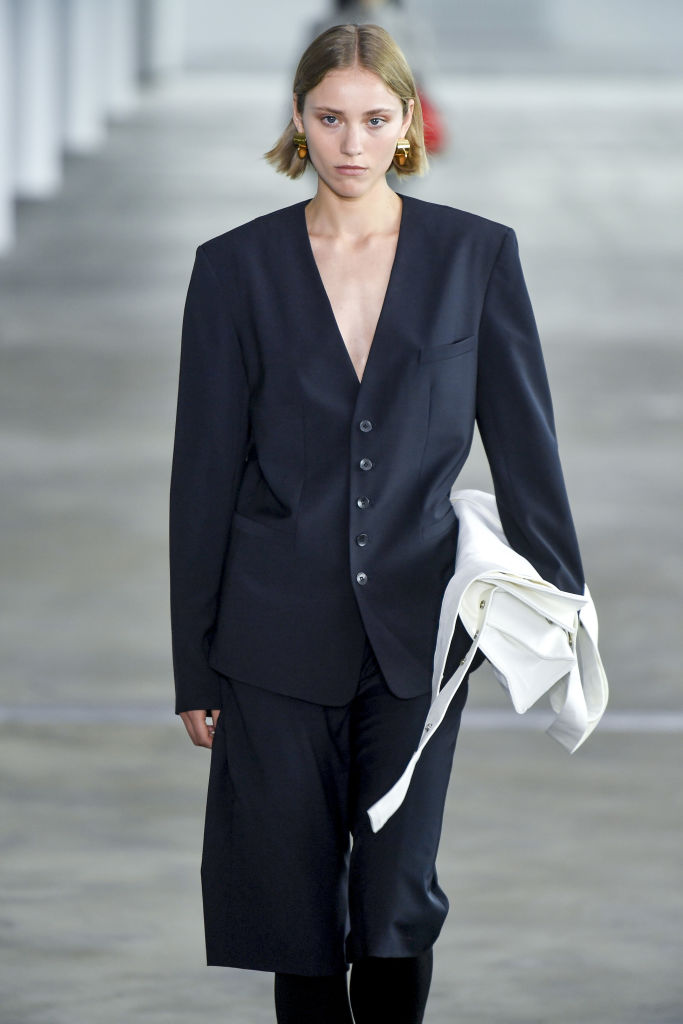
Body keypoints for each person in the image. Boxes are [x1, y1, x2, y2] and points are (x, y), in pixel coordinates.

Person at [169, 22, 585, 1024]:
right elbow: (203, 478)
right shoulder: (234, 269)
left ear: (405, 123)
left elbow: (524, 446)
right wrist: (195, 663)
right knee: (294, 909)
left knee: (394, 904)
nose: (349, 142)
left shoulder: (473, 255)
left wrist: (560, 608)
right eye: (327, 118)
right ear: (298, 124)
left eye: (371, 118)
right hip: (270, 641)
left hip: (420, 630)